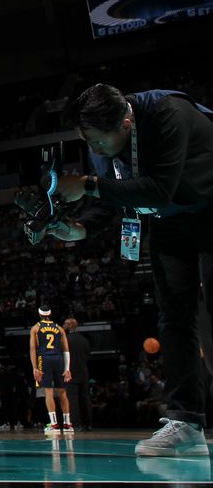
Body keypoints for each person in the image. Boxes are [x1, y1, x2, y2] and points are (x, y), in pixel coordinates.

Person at [60, 84, 213, 457]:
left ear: (126, 123)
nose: (93, 148)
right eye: (88, 141)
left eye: (98, 141)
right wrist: (80, 227)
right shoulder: (103, 134)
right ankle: (186, 423)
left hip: (210, 207)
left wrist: (90, 186)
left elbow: (158, 188)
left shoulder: (167, 114)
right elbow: (116, 191)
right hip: (172, 220)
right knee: (174, 318)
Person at [29, 306, 72, 434]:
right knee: (62, 391)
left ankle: (54, 424)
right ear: (50, 314)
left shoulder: (36, 328)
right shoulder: (59, 328)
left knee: (48, 392)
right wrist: (67, 368)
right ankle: (67, 423)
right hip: (58, 358)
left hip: (44, 358)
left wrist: (34, 367)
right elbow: (66, 350)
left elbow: (32, 349)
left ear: (39, 314)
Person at [63, 317, 93, 431]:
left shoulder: (66, 339)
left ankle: (76, 424)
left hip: (71, 372)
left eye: (65, 324)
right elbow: (87, 356)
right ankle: (88, 423)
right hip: (84, 372)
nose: (64, 325)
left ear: (71, 325)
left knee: (73, 398)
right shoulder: (84, 340)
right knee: (85, 398)